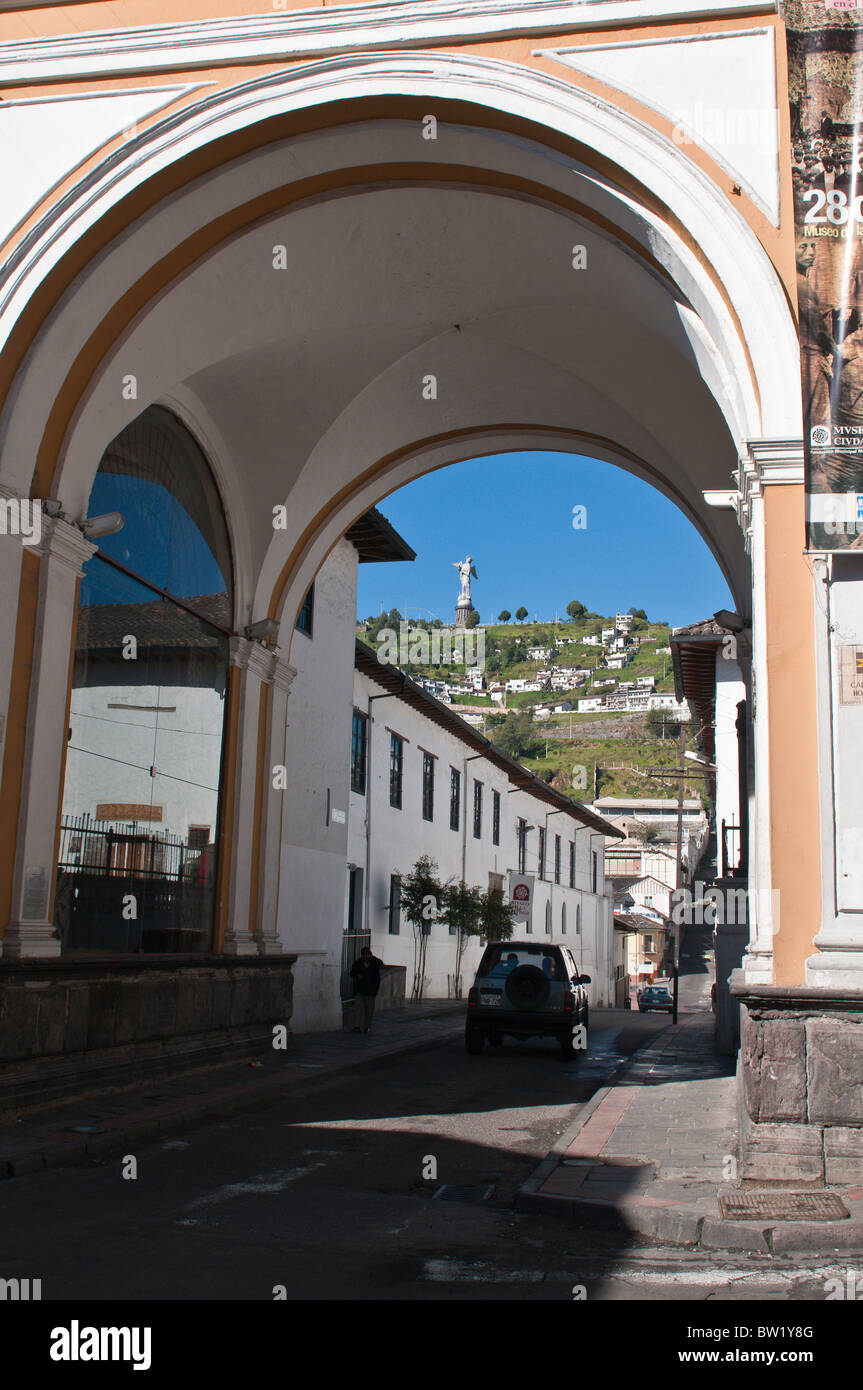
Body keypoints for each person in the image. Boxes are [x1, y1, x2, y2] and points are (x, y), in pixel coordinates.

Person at [350, 946, 384, 1033]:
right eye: (363, 955)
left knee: (369, 1010)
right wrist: (357, 975)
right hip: (360, 989)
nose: (365, 957)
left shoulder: (375, 962)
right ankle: (357, 1026)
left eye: (366, 955)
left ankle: (367, 1026)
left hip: (371, 990)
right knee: (358, 1008)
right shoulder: (358, 963)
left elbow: (380, 965)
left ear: (369, 955)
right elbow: (352, 972)